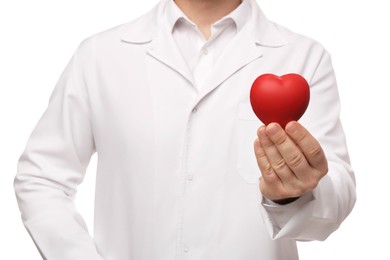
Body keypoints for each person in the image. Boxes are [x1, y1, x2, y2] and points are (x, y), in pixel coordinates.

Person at [14, 0, 356, 259]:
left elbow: (336, 199)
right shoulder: (99, 55)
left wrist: (293, 194)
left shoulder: (304, 56)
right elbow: (42, 178)